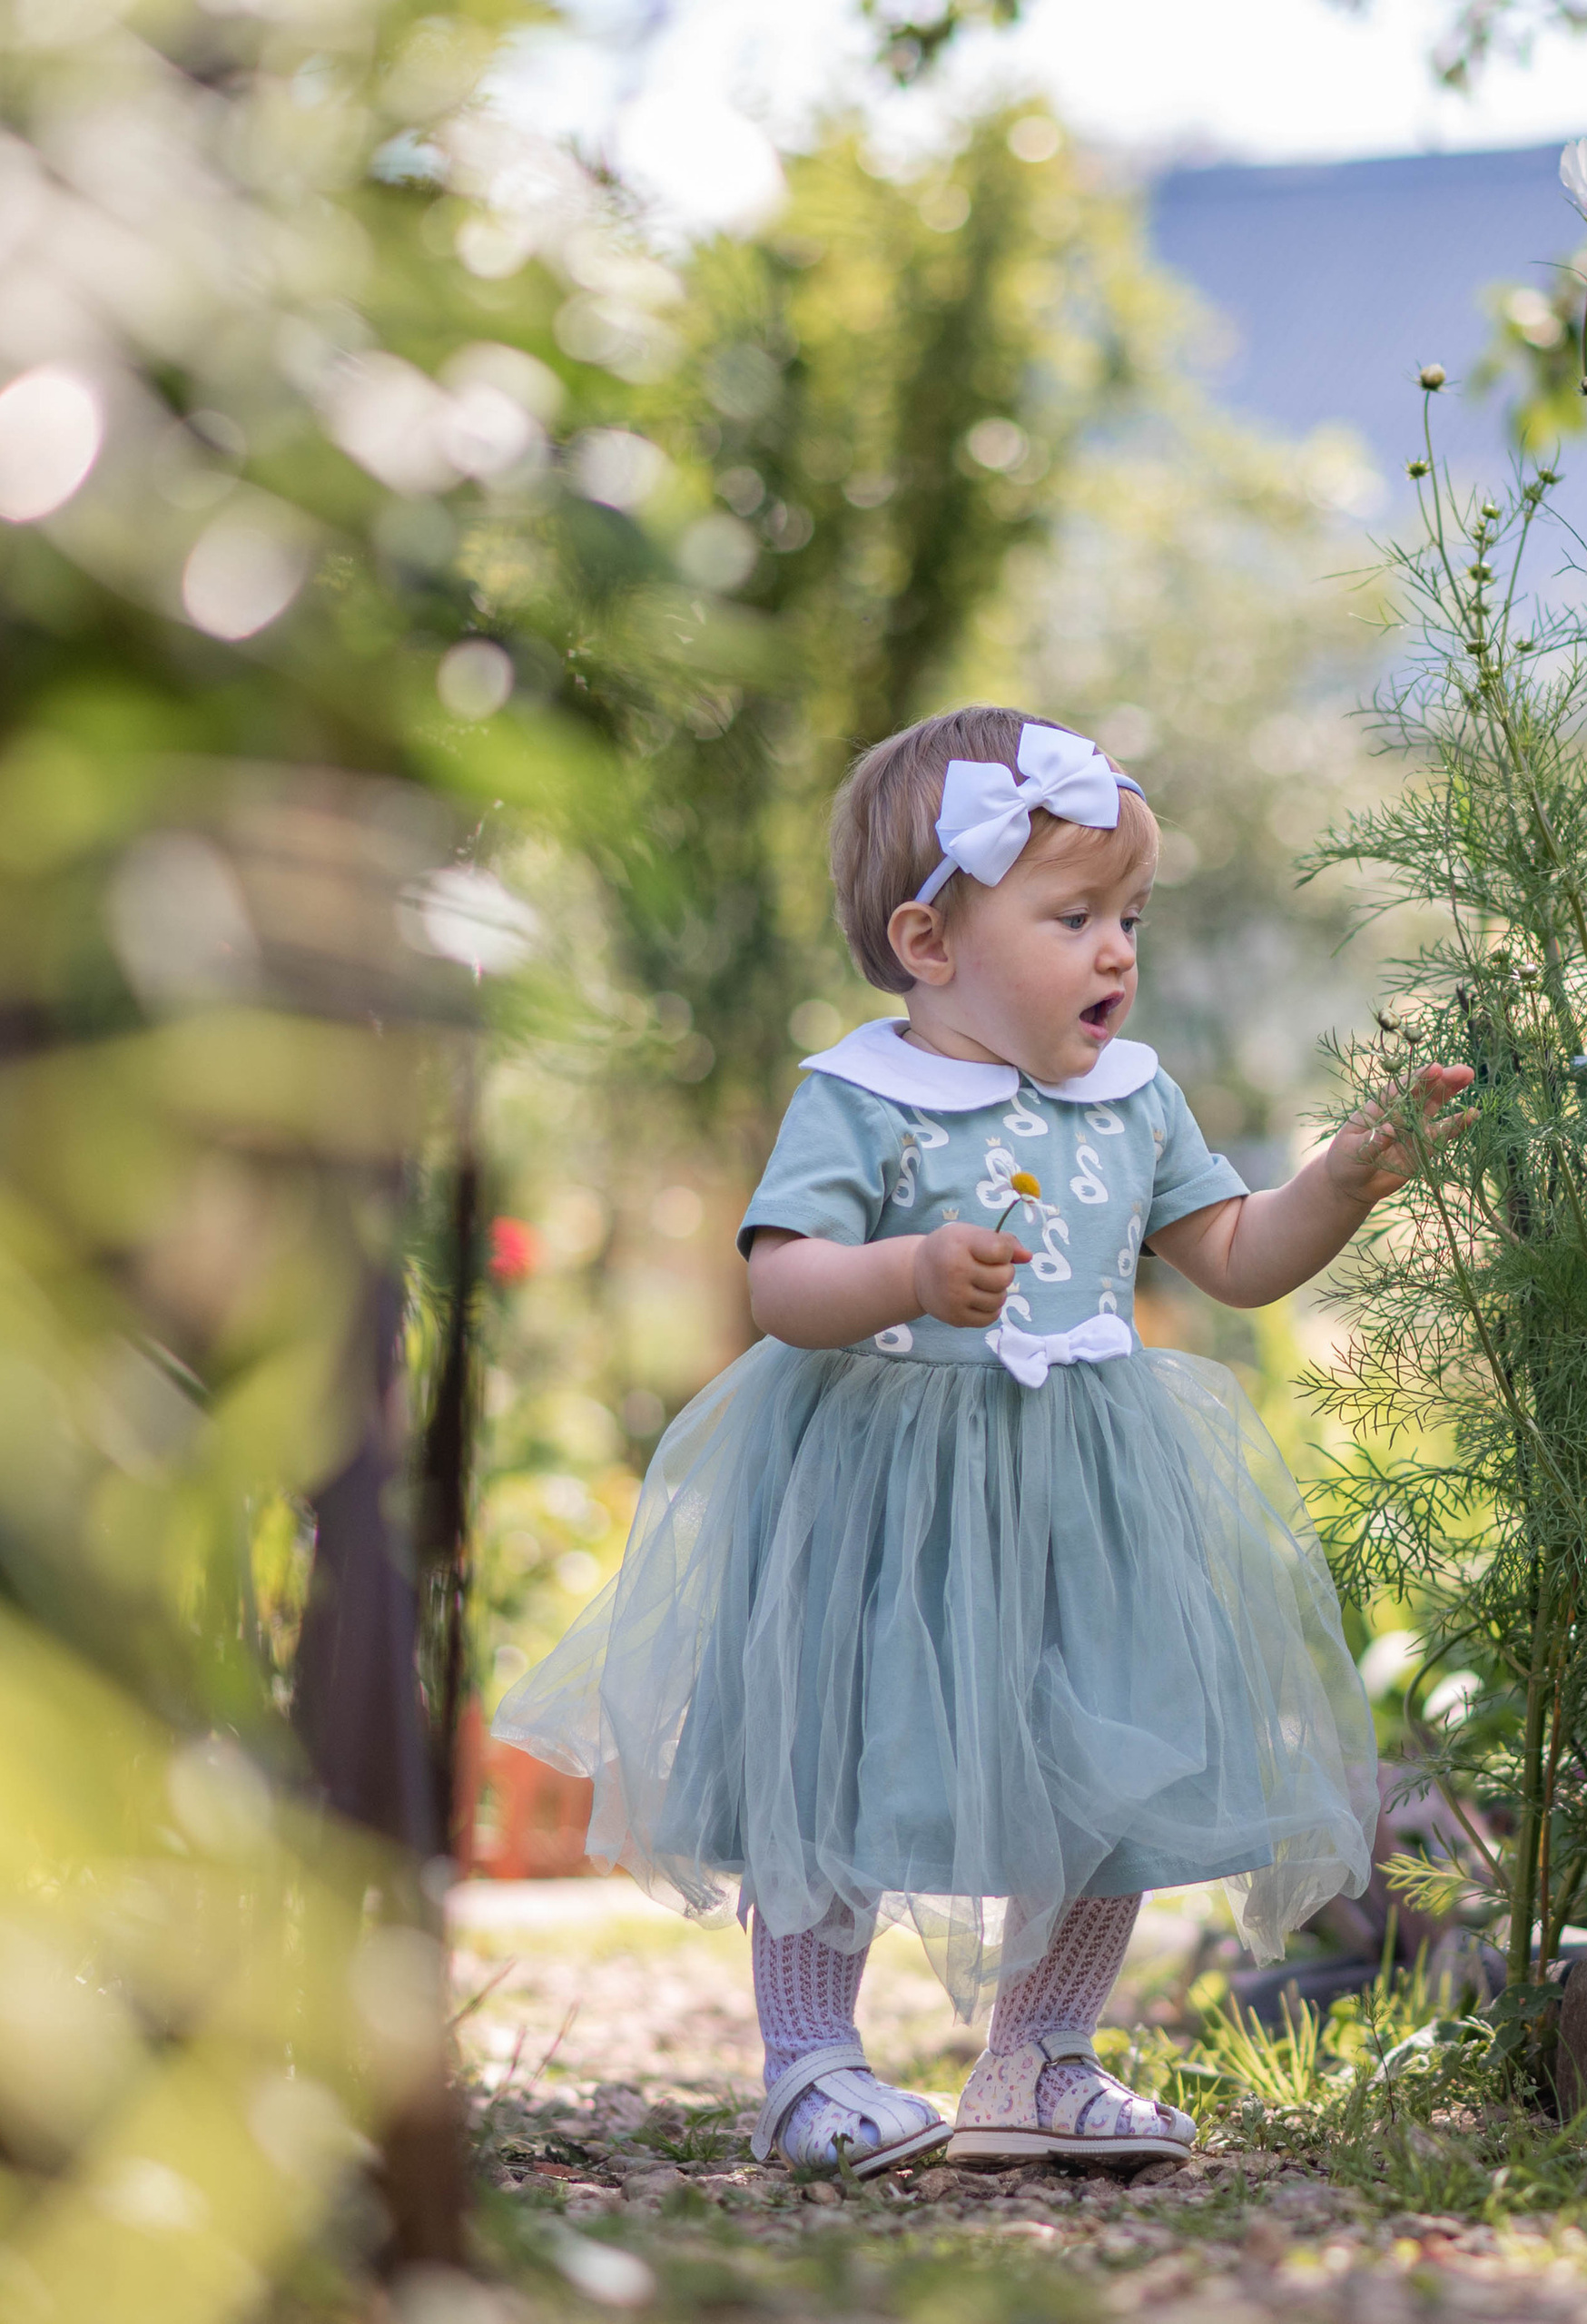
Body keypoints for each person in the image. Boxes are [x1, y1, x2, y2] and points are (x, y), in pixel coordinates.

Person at [496, 706, 1473, 2178]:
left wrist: (1341, 1178)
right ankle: (812, 2062)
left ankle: (1042, 2053)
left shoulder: (1135, 1101)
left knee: (1111, 1763)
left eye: (1130, 915)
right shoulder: (861, 1095)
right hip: (883, 1484)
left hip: (1083, 1487)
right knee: (828, 1765)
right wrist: (903, 1273)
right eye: (1073, 915)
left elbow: (1234, 1252)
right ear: (930, 943)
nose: (1117, 952)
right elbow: (778, 1278)